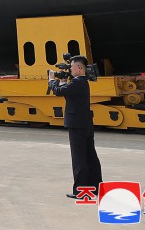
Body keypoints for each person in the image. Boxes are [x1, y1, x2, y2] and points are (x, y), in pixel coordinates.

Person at [49, 55, 103, 199]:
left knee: (79, 157)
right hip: (85, 123)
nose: (70, 70)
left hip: (77, 125)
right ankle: (96, 187)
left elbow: (59, 91)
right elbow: (67, 92)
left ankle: (81, 191)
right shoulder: (82, 82)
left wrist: (51, 80)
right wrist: (62, 81)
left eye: (71, 67)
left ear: (79, 68)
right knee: (90, 155)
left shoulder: (77, 82)